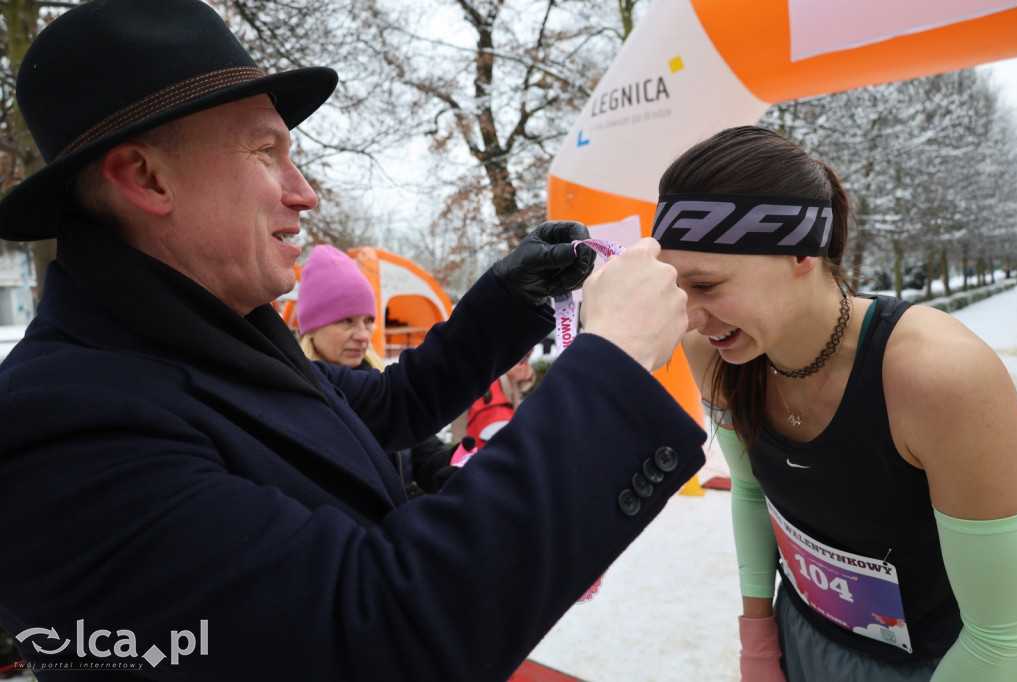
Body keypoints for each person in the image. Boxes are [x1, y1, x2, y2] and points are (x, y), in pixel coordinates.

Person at [0, 1, 706, 679]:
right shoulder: (56, 424)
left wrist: (506, 301)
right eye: (265, 151)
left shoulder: (219, 338)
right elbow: (370, 637)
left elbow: (390, 407)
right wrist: (612, 364)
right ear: (146, 178)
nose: (303, 192)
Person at [655, 125, 1017, 681]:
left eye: (706, 285)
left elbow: (1003, 639)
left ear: (801, 252)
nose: (688, 316)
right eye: (676, 288)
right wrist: (757, 641)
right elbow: (753, 493)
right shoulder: (717, 351)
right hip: (801, 635)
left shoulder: (939, 377)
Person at [296, 243, 455, 496]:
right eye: (346, 320)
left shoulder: (384, 383)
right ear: (312, 327)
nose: (363, 335)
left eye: (369, 321)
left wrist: (450, 464)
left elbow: (422, 452)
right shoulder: (298, 398)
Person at [461, 349, 536, 446]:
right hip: (477, 426)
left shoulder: (507, 366)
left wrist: (528, 374)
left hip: (506, 418)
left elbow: (524, 384)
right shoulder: (467, 370)